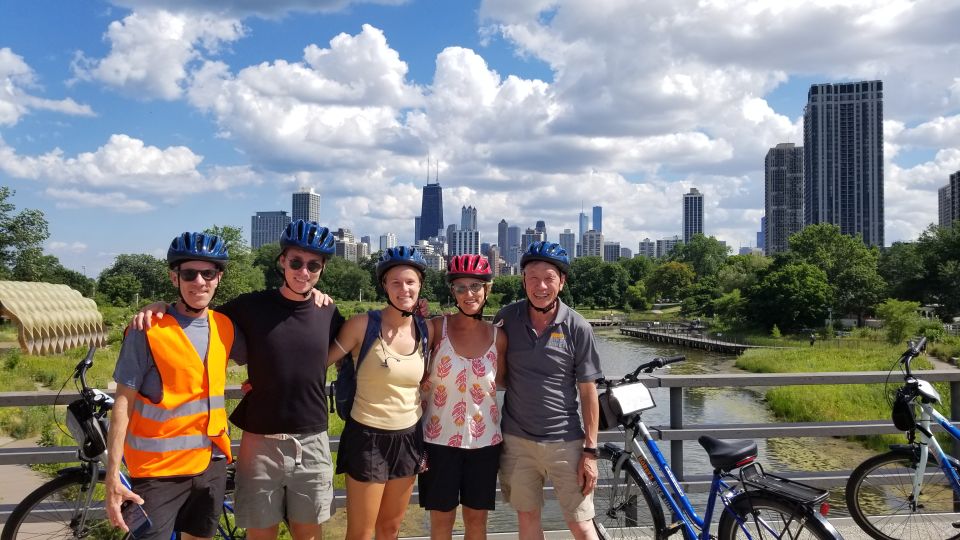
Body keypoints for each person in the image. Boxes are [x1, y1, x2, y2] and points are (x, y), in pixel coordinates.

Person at [131, 220, 342, 540]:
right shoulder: (249, 306)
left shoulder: (328, 311)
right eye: (296, 262)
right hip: (259, 441)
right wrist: (160, 308)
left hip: (312, 440)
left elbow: (358, 347)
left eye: (313, 265)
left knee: (309, 535)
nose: (304, 271)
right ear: (282, 261)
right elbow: (197, 312)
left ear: (323, 269)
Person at [106, 231, 243, 540]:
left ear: (218, 277)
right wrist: (113, 474)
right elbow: (123, 404)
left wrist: (312, 296)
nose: (199, 281)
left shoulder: (225, 326)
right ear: (174, 278)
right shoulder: (147, 328)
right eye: (189, 273)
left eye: (208, 273)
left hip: (211, 464)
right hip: (158, 473)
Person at [494, 241, 603, 540]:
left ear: (562, 282)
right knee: (527, 518)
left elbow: (588, 390)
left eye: (549, 278)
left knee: (581, 523)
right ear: (523, 280)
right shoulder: (506, 319)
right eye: (533, 278)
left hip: (565, 440)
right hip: (517, 440)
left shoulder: (578, 326)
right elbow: (484, 359)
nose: (540, 286)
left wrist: (590, 451)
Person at [328, 246, 434, 540]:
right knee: (361, 532)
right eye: (396, 282)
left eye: (410, 282)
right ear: (384, 286)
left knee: (390, 529)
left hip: (409, 437)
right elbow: (316, 362)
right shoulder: (362, 325)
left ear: (420, 286)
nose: (404, 289)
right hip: (368, 437)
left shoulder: (426, 330)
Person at [418, 254, 507, 540]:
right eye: (460, 287)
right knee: (442, 523)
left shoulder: (499, 337)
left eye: (475, 286)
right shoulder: (434, 329)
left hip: (485, 443)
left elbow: (503, 381)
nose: (468, 294)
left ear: (487, 290)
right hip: (438, 440)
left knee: (476, 522)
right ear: (452, 291)